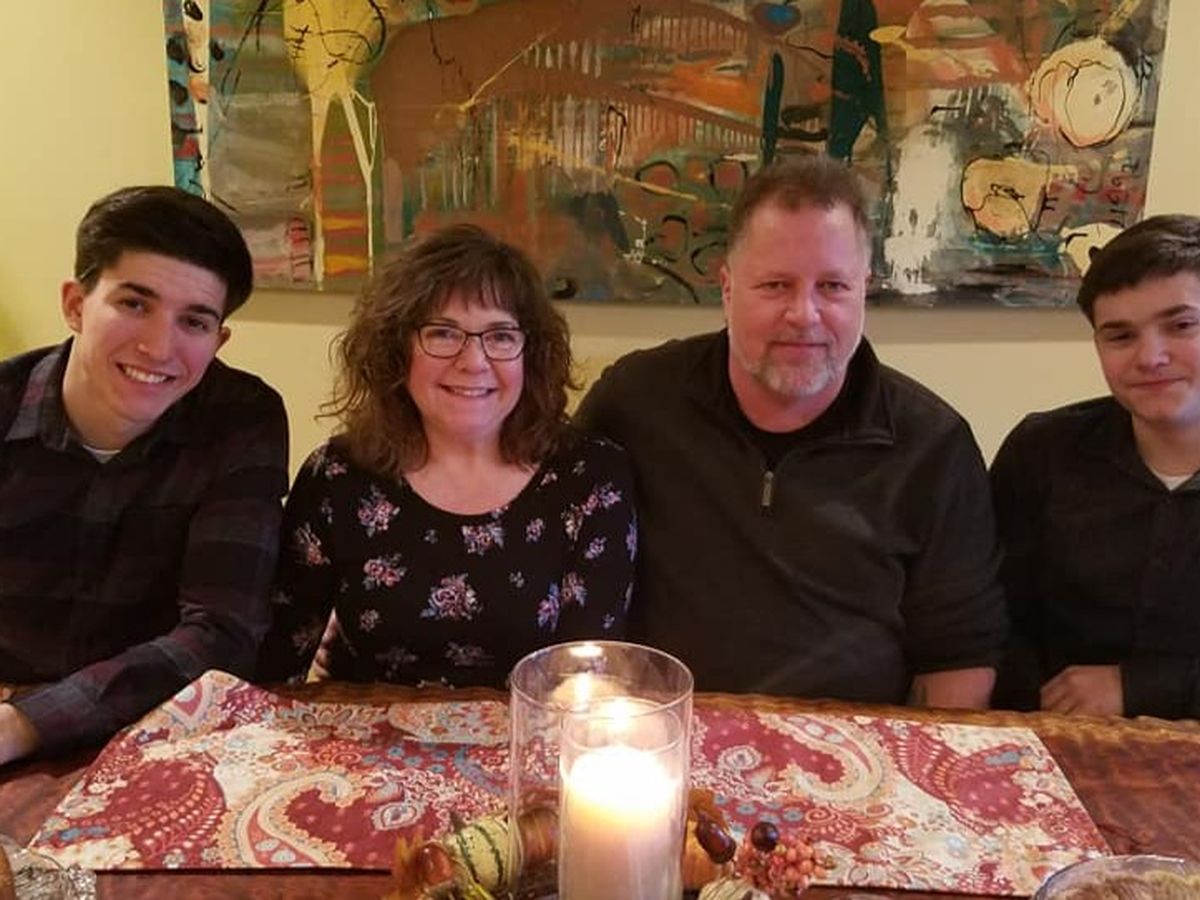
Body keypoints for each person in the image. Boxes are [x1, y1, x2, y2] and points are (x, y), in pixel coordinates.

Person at [575, 156, 1006, 706]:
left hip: (853, 743)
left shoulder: (934, 444)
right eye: (776, 285)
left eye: (832, 286)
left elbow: (960, 656)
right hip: (662, 731)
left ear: (863, 290)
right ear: (728, 289)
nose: (804, 314)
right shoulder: (636, 400)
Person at [258, 224, 636, 687]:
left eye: (500, 336)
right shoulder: (335, 478)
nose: (474, 361)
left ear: (531, 353)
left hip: (534, 728)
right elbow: (277, 672)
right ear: (395, 349)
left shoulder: (591, 478)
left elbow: (587, 682)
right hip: (367, 728)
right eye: (442, 333)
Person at [0, 185, 289, 765]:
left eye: (194, 322)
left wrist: (25, 725)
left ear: (218, 340)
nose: (158, 347)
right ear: (75, 304)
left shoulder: (240, 421)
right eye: (134, 304)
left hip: (158, 733)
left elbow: (222, 634)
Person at [991, 214, 1200, 718]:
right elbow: (987, 612)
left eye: (1181, 325)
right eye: (1120, 336)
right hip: (1049, 737)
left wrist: (1138, 688)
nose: (1150, 357)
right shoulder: (1041, 452)